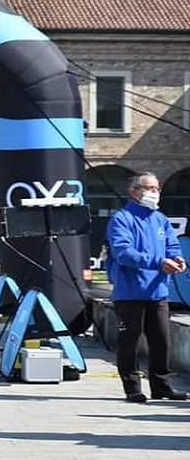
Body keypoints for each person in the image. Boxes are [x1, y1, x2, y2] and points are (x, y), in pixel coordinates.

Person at [105, 172, 188, 403]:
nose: (155, 192)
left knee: (162, 340)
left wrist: (178, 259)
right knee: (129, 341)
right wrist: (158, 262)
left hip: (157, 291)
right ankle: (132, 388)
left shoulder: (160, 219)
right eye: (149, 188)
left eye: (157, 188)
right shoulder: (122, 218)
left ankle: (162, 386)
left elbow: (172, 245)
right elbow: (123, 253)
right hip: (130, 293)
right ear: (134, 192)